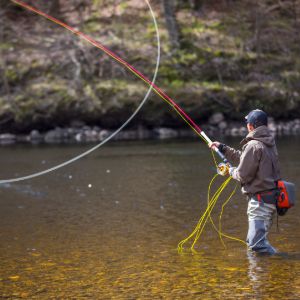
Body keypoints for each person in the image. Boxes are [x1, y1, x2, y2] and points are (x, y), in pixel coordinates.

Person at [210, 109, 281, 254]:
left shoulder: (254, 145)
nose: (247, 125)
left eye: (247, 123)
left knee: (256, 245)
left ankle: (283, 263)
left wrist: (229, 171)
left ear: (251, 126)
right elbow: (246, 158)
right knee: (253, 243)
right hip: (269, 200)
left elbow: (243, 175)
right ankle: (258, 273)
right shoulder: (268, 142)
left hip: (260, 203)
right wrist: (223, 148)